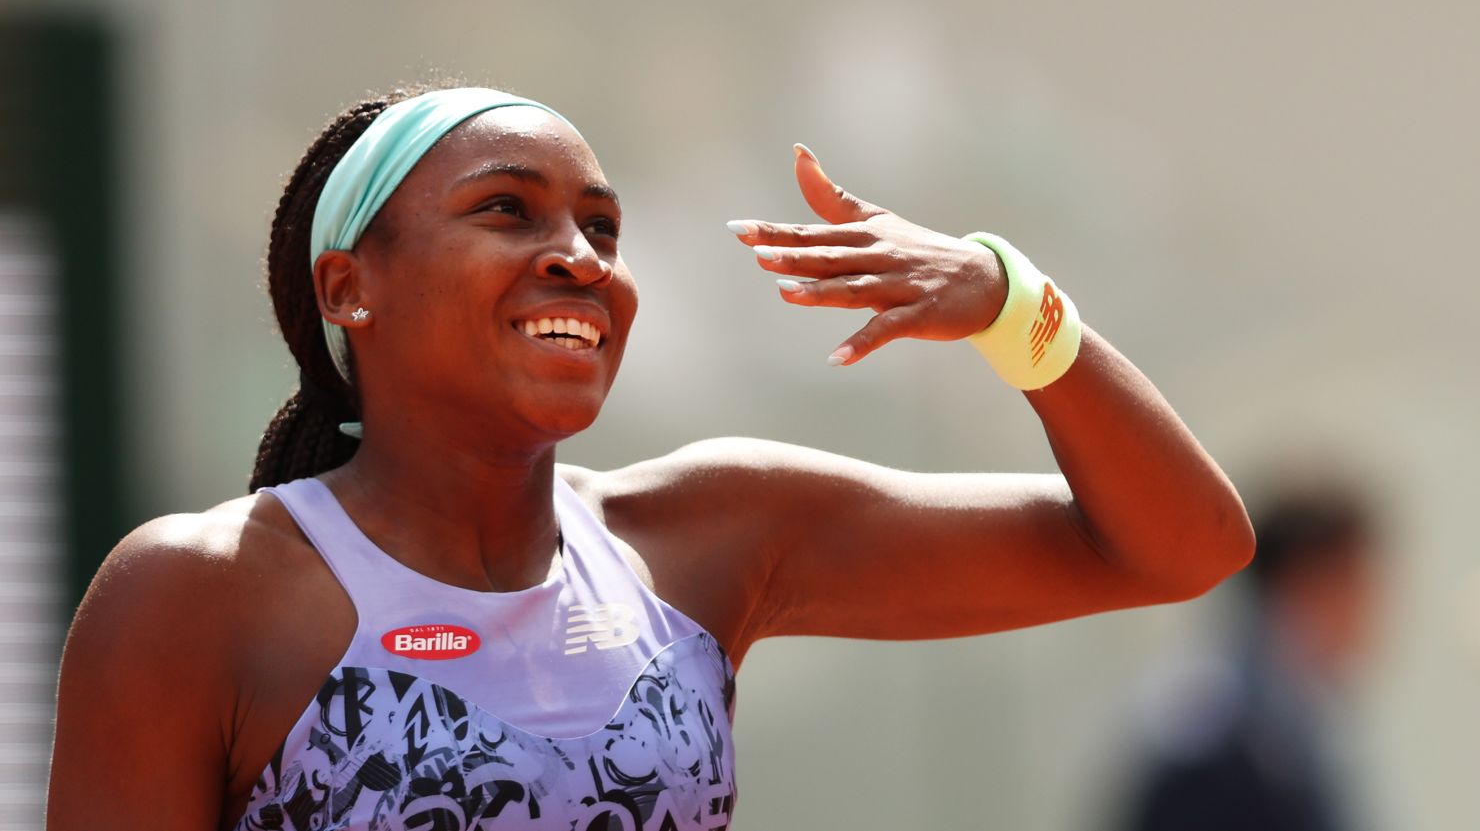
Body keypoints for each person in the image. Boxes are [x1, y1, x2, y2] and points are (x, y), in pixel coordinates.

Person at [46, 83, 1254, 831]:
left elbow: (1180, 544)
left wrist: (1007, 302)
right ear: (349, 287)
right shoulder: (195, 591)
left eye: (601, 226)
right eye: (507, 208)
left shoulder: (708, 536)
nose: (578, 254)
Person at [1114, 484, 1380, 831]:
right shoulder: (1220, 739)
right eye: (1357, 580)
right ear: (1310, 578)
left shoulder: (1286, 716)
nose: (1372, 607)